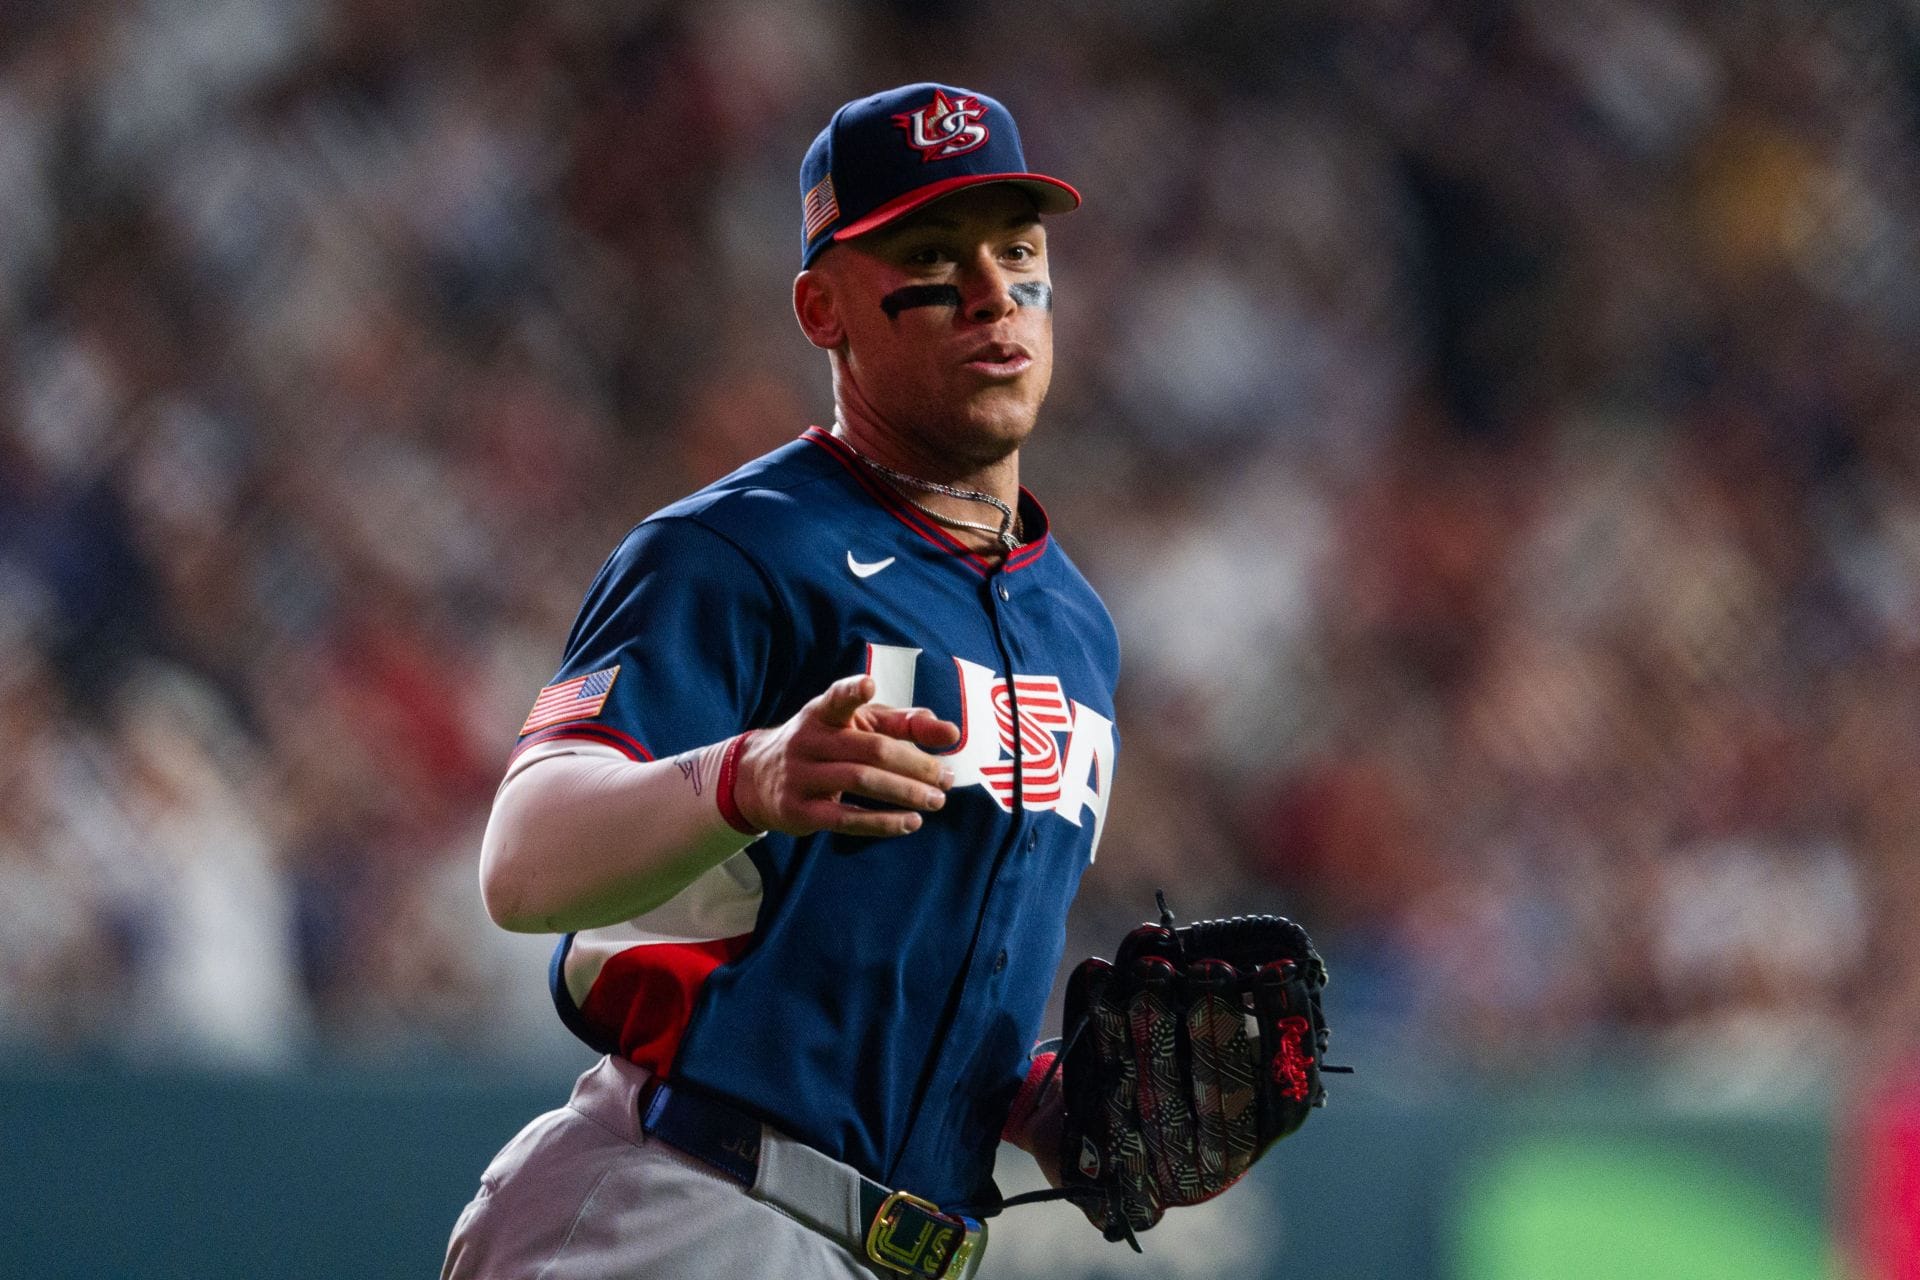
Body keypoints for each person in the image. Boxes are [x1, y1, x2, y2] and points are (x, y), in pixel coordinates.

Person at [443, 83, 1118, 1280]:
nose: (991, 292)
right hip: (686, 1206)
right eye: (930, 254)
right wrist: (746, 774)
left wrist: (1040, 1102)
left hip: (909, 1249)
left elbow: (874, 963)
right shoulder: (737, 549)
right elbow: (524, 857)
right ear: (822, 308)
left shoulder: (1077, 626)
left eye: (1018, 250)